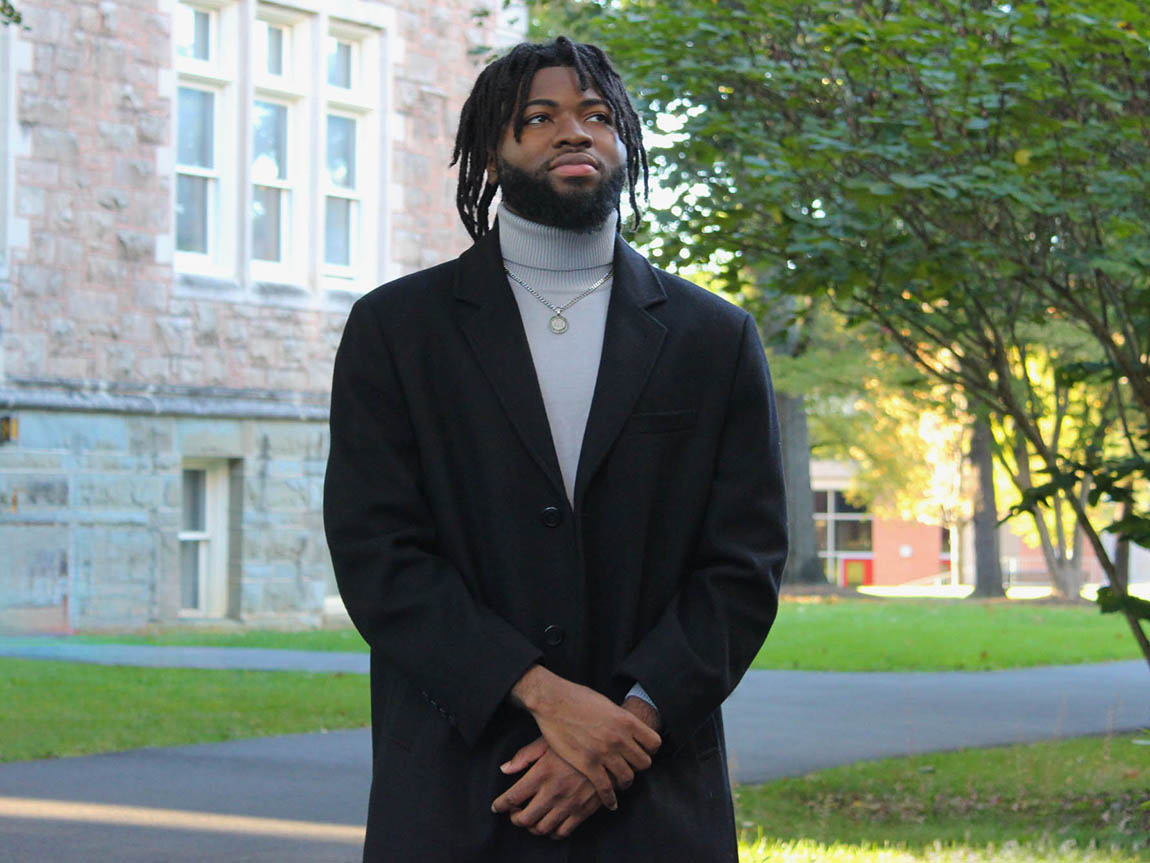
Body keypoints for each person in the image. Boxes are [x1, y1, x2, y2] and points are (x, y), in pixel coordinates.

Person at [323, 36, 787, 863]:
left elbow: (742, 566)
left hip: (654, 795)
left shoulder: (714, 338)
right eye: (538, 118)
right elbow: (378, 554)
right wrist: (544, 697)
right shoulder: (397, 331)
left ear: (626, 143)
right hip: (458, 788)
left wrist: (626, 725)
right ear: (492, 154)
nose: (574, 132)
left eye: (596, 115)